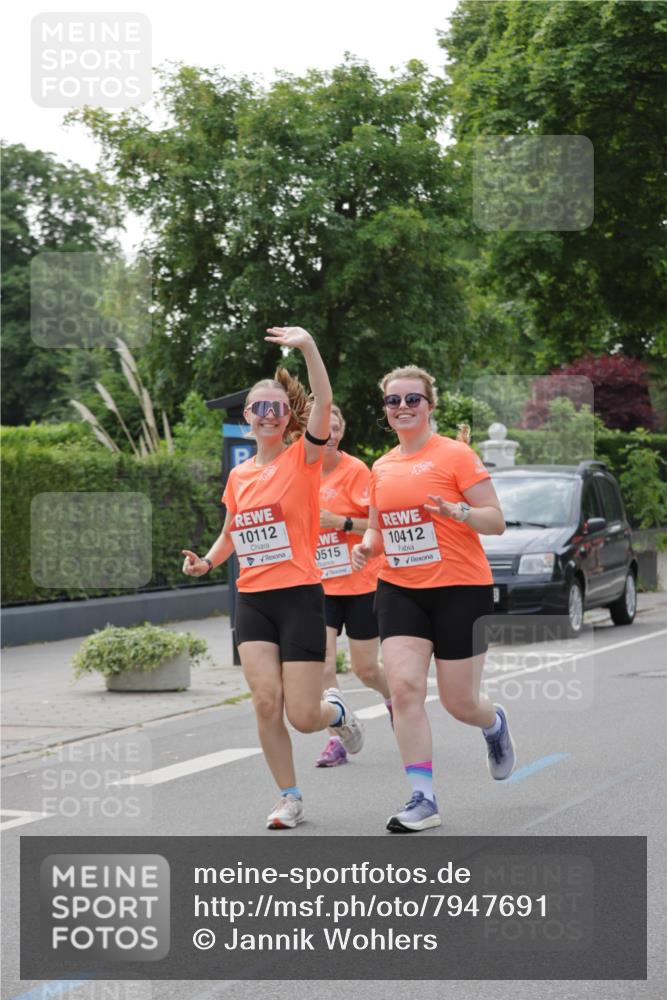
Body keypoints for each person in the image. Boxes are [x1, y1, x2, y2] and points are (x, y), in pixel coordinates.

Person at [181, 327, 364, 830]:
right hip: (253, 599)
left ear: (288, 417)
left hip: (300, 597)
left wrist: (308, 347)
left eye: (276, 407)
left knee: (303, 716)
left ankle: (339, 715)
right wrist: (208, 563)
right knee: (265, 701)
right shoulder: (239, 476)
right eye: (258, 408)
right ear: (246, 418)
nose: (266, 414)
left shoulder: (304, 457)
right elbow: (232, 531)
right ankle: (290, 797)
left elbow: (324, 399)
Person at [351, 365, 515, 833]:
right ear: (385, 410)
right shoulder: (381, 467)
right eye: (393, 401)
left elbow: (495, 521)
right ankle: (422, 798)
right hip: (400, 589)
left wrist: (459, 511)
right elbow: (379, 532)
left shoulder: (456, 456)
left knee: (460, 702)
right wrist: (366, 548)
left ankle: (493, 723)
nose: (402, 407)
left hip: (460, 587)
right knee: (404, 689)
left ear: (430, 405)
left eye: (412, 400)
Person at [315, 403, 392, 767]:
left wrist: (340, 522)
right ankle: (338, 738)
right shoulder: (299, 471)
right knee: (324, 664)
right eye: (322, 428)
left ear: (341, 432)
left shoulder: (356, 470)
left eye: (335, 428)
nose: (328, 434)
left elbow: (376, 525)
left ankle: (394, 702)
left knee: (366, 669)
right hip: (318, 584)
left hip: (360, 581)